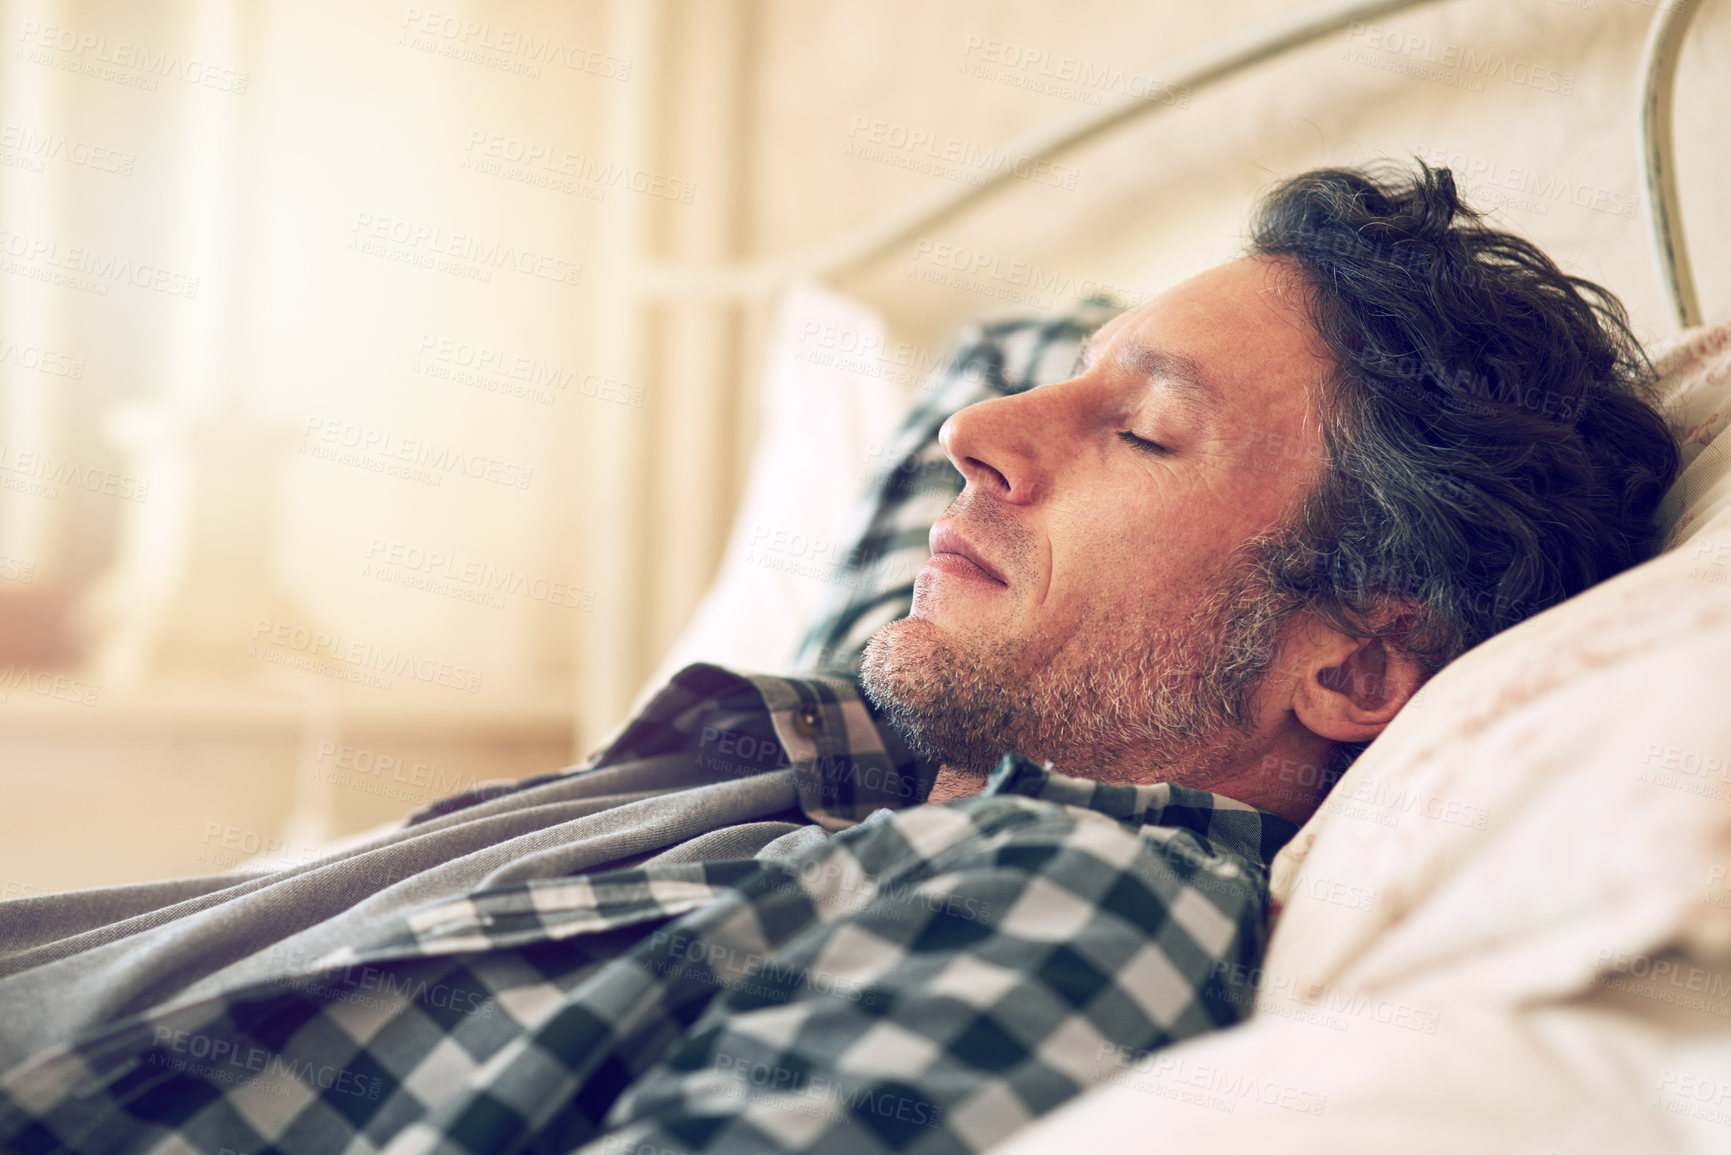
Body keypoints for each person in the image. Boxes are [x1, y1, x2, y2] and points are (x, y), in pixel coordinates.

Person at [0, 164, 1679, 1155]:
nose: (981, 433)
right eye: (1061, 377)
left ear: (1359, 667)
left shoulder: (1062, 898)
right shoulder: (828, 757)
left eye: (1145, 431)